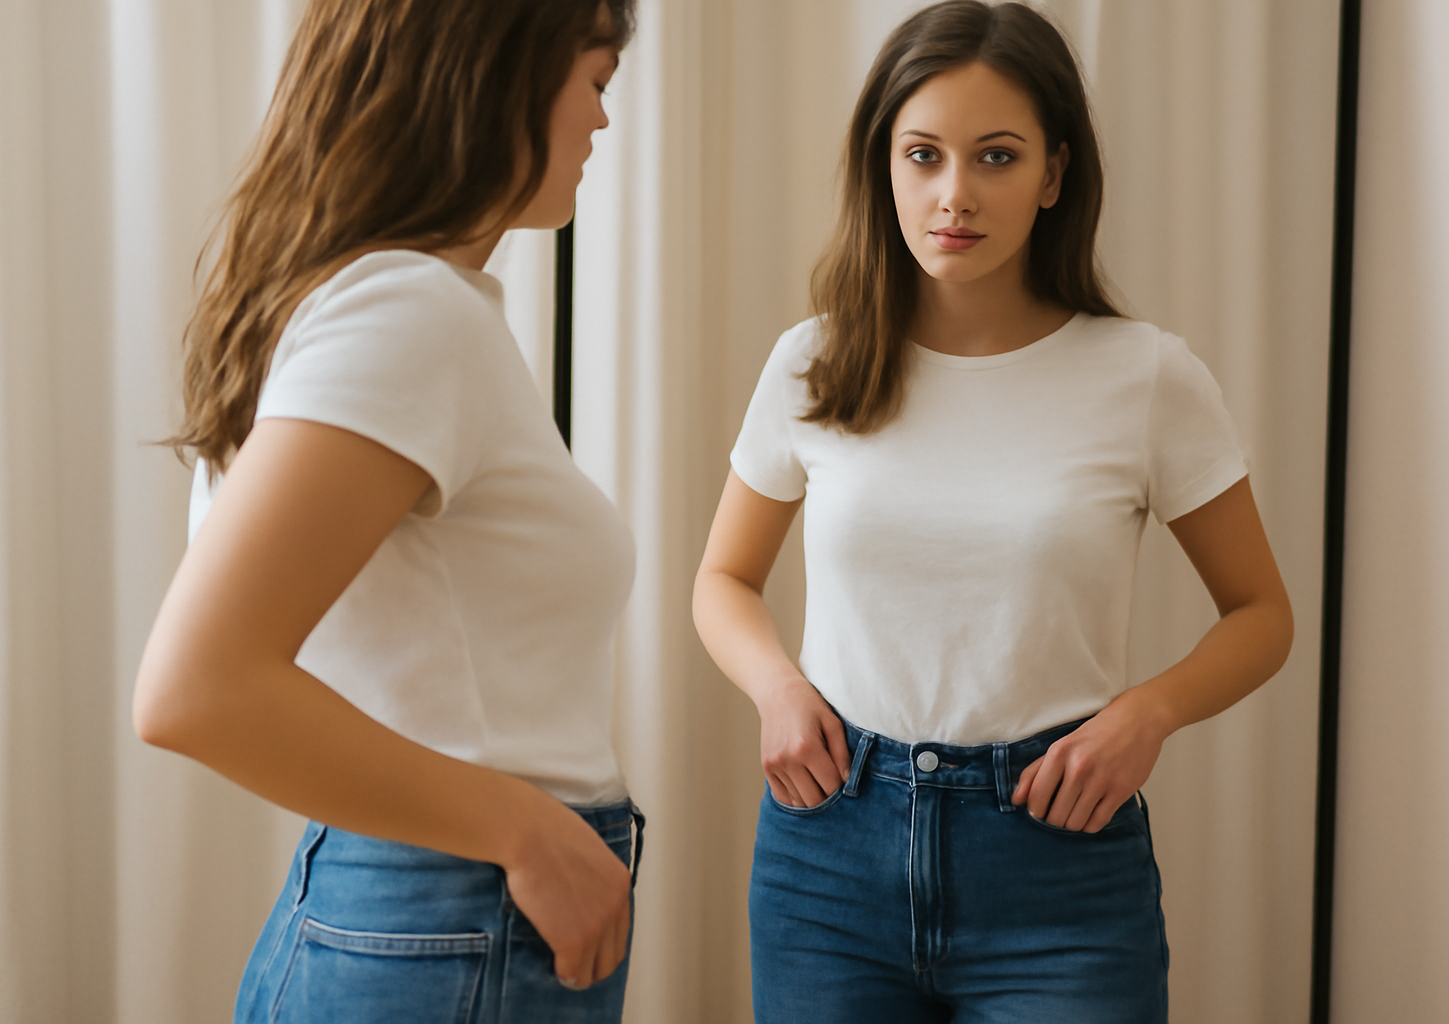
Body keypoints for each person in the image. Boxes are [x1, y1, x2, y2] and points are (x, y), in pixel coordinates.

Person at [692, 2, 1294, 1021]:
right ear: (883, 164)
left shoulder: (1146, 377)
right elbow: (722, 579)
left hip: (1057, 867)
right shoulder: (814, 360)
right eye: (922, 155)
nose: (954, 194)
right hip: (827, 856)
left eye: (997, 157)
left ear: (1054, 175)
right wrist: (777, 689)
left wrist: (1146, 713)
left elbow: (1261, 614)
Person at [132, 1, 642, 1020]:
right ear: (493, 77)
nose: (601, 121)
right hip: (451, 920)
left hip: (428, 917)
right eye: (592, 79)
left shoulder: (362, 305)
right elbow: (195, 687)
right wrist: (530, 831)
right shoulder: (409, 315)